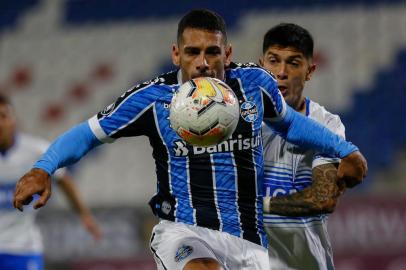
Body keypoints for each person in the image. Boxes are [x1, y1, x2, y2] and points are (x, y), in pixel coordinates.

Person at [13, 9, 366, 270]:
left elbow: (290, 124)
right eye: (192, 52)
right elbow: (88, 134)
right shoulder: (153, 99)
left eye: (212, 52)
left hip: (249, 242)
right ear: (175, 54)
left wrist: (345, 150)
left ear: (227, 54)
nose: (202, 62)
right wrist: (44, 167)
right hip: (185, 232)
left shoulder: (255, 85)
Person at [260, 23, 349, 270]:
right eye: (273, 61)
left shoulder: (326, 124)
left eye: (293, 62)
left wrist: (258, 205)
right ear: (260, 66)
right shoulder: (237, 121)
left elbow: (323, 198)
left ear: (310, 71)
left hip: (307, 263)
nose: (281, 72)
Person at [0, 94, 101, 270]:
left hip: (22, 248)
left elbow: (64, 180)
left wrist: (84, 215)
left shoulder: (36, 150)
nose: (0, 123)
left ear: (14, 120)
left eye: (3, 116)